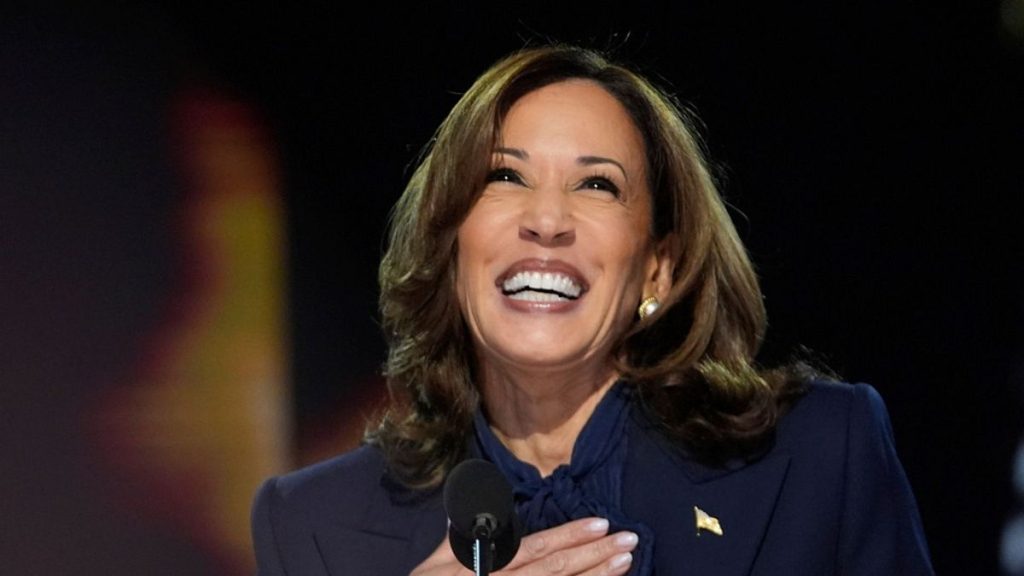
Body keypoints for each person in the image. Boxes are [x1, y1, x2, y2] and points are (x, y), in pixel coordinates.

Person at [250, 43, 934, 575]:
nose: (547, 219)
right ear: (450, 247)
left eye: (597, 184)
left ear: (658, 269)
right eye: (505, 176)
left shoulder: (820, 456)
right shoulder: (312, 522)